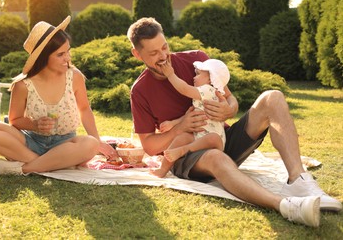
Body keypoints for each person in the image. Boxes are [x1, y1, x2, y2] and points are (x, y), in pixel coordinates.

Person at [127, 17, 342, 227]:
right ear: (137, 54)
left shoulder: (197, 60)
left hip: (222, 138)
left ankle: (299, 181)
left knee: (272, 97)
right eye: (154, 53)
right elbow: (149, 146)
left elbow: (231, 99)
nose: (163, 56)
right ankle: (286, 206)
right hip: (187, 154)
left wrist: (228, 109)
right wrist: (180, 127)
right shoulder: (140, 91)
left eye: (164, 47)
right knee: (215, 157)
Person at [0, 16, 117, 175]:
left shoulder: (74, 77)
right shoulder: (23, 85)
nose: (67, 58)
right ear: (43, 57)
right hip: (30, 141)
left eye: (68, 51)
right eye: (60, 54)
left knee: (90, 143)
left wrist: (98, 141)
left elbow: (84, 109)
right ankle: (54, 164)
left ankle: (24, 168)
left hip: (65, 143)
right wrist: (35, 125)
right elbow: (14, 120)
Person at [150, 58, 230, 178]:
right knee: (181, 138)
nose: (194, 77)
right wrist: (173, 123)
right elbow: (191, 114)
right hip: (198, 138)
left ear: (210, 79)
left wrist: (170, 74)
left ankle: (183, 150)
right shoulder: (201, 96)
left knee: (213, 137)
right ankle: (163, 169)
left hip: (212, 143)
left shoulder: (209, 90)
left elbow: (185, 89)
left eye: (197, 74)